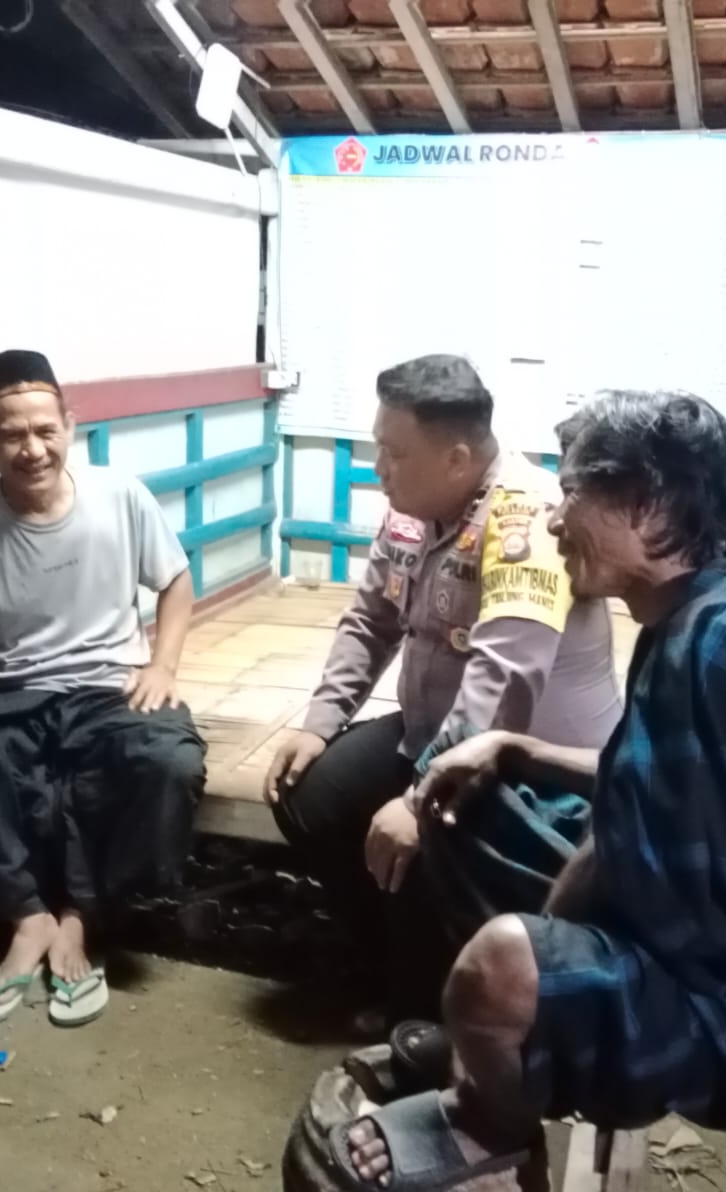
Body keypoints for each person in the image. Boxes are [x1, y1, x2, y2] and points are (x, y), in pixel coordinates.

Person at [331, 389, 726, 1192]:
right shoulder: (710, 614)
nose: (556, 519)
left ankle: (490, 1120)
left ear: (648, 505)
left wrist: (534, 964)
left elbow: (650, 869)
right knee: (466, 802)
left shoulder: (724, 644)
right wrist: (518, 748)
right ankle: (507, 1044)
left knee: (494, 970)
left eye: (573, 495)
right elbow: (647, 789)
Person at [264, 354, 621, 1020]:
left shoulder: (526, 522)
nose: (379, 468)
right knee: (306, 796)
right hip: (434, 730)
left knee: (427, 838)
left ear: (457, 460)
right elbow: (370, 620)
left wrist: (418, 795)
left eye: (394, 453)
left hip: (532, 760)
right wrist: (319, 722)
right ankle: (383, 965)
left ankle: (433, 1015)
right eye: (378, 447)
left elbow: (502, 681)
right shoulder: (411, 511)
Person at [0, 349, 206, 1029]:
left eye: (45, 430)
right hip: (9, 690)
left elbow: (176, 582)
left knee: (168, 761)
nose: (32, 449)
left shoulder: (119, 496)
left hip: (107, 689)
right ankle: (27, 916)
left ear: (70, 423)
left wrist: (162, 666)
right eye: (12, 434)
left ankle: (81, 917)